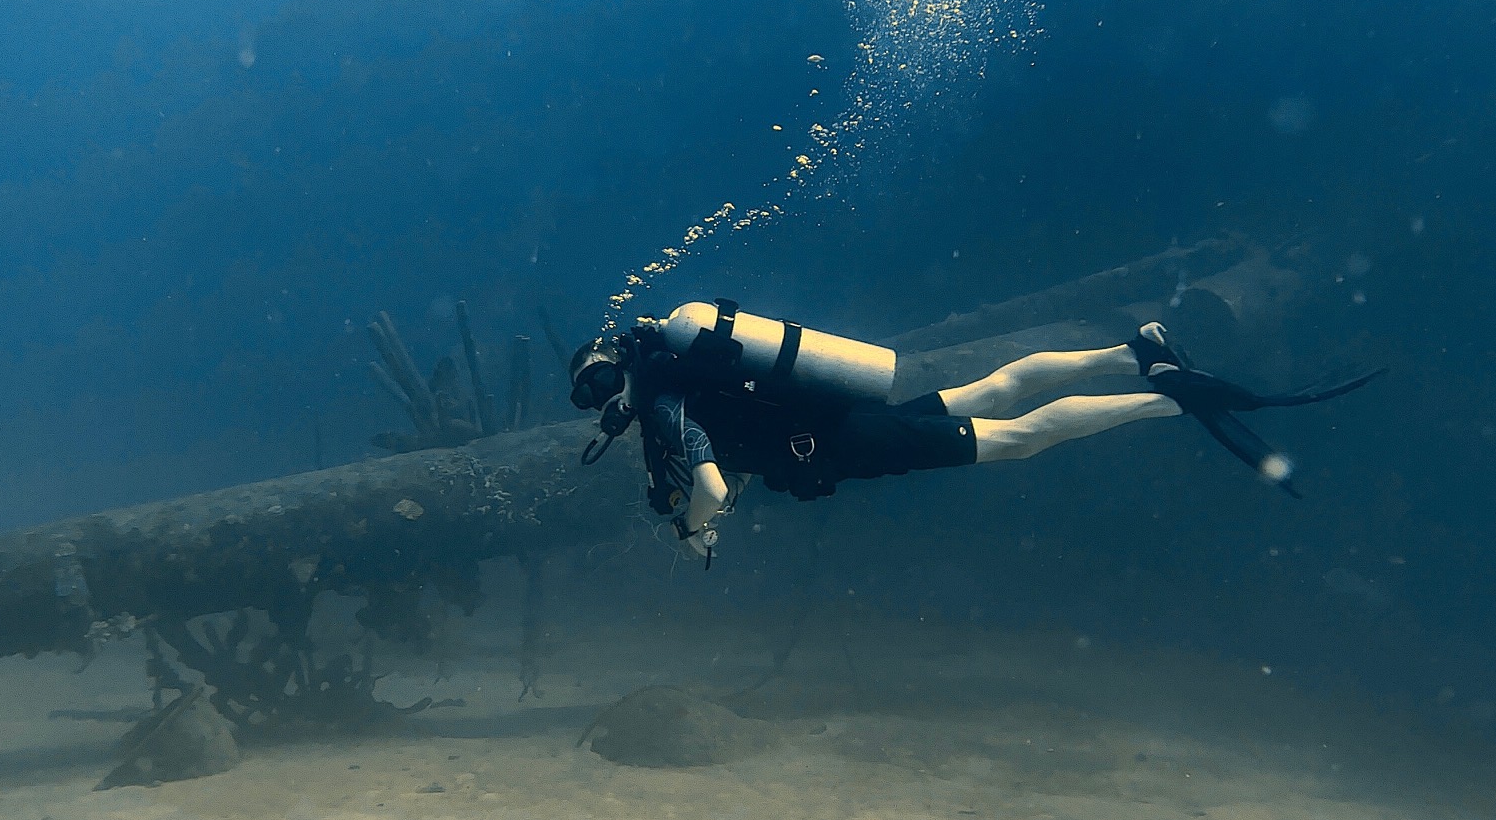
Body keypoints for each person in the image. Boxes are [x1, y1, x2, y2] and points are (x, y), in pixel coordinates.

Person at [568, 302, 1380, 568]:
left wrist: (693, 529)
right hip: (840, 419)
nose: (604, 402)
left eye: (595, 389)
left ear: (612, 379)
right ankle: (1135, 347)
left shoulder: (666, 406)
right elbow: (737, 445)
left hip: (847, 445)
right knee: (990, 387)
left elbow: (709, 485)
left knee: (1016, 435)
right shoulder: (685, 369)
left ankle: (1170, 399)